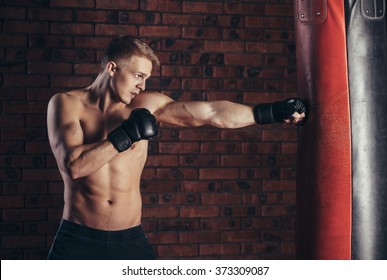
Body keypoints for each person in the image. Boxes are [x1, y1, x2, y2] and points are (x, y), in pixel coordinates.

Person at [47, 35, 306, 260]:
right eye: (138, 75)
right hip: (78, 239)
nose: (143, 85)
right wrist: (125, 135)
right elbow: (75, 167)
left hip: (129, 239)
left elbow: (210, 112)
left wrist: (270, 112)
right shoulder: (67, 104)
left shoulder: (146, 104)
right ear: (112, 68)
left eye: (146, 78)